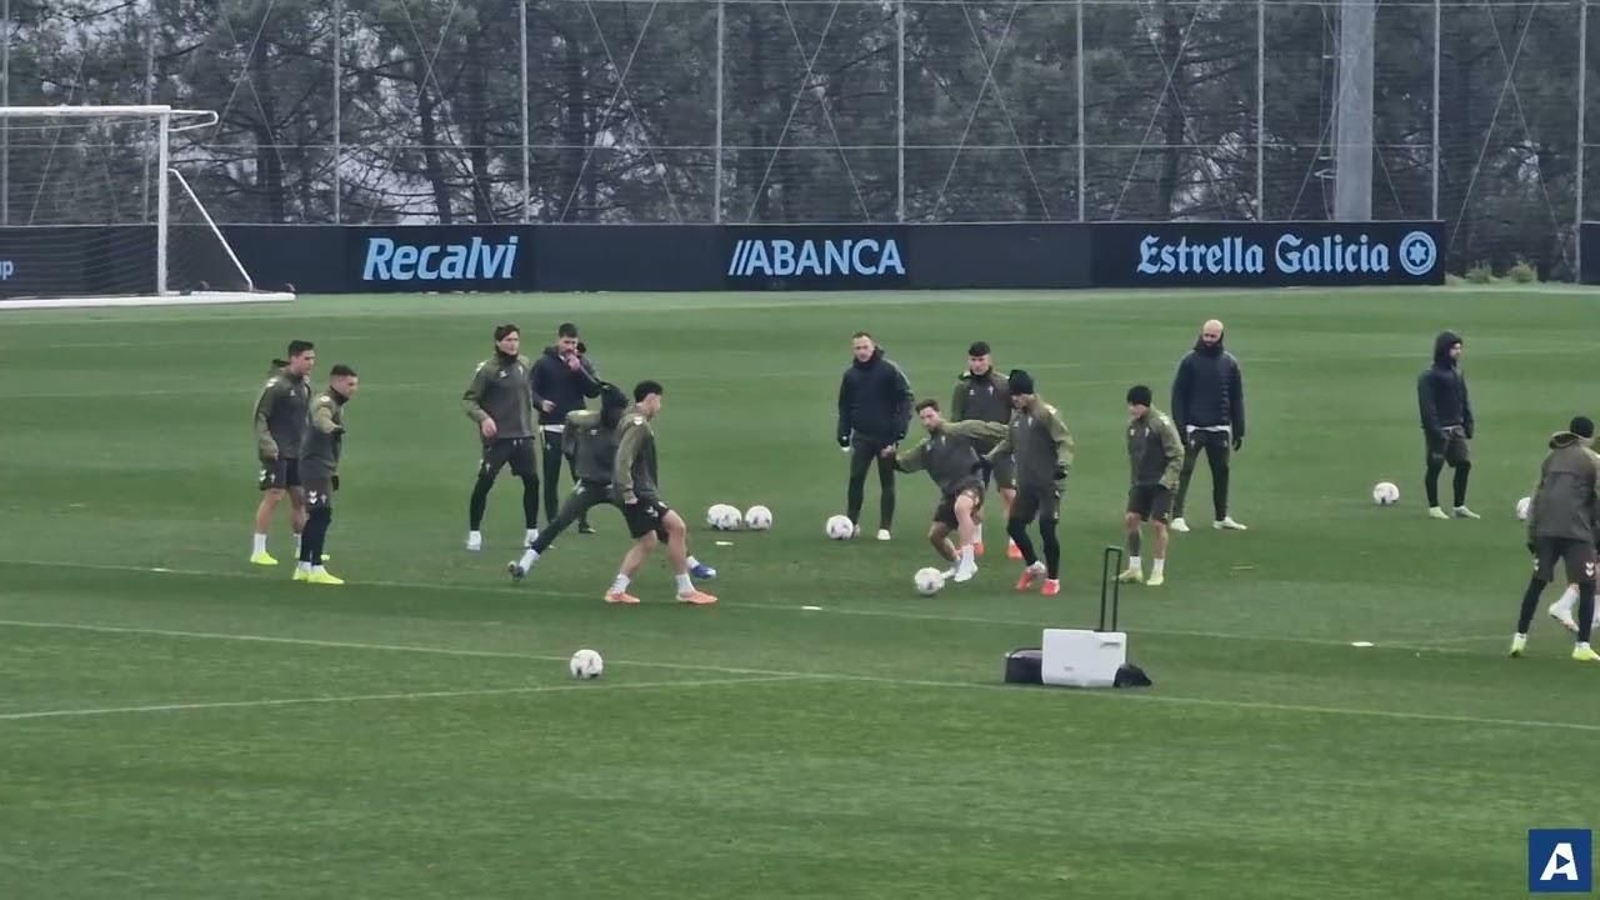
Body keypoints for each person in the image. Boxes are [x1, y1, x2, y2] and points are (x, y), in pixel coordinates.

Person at [509, 382, 716, 582]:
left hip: (620, 486)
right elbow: (570, 418)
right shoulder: (589, 420)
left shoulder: (630, 426)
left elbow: (642, 460)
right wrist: (569, 448)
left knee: (656, 526)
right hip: (590, 485)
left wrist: (647, 489)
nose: (619, 414)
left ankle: (693, 564)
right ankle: (524, 564)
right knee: (560, 522)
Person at [605, 381, 718, 606]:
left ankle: (617, 591)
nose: (660, 406)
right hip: (638, 492)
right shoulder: (638, 424)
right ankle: (685, 590)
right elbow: (623, 459)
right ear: (650, 399)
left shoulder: (629, 417)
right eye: (659, 400)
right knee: (677, 528)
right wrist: (628, 491)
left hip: (636, 490)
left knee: (648, 541)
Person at [1510, 416, 1600, 662]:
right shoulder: (1592, 460)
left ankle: (1519, 639)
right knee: (1588, 584)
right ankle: (1582, 645)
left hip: (1545, 530)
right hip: (1575, 531)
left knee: (1537, 583)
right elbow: (1597, 497)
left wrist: (1532, 534)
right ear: (1588, 437)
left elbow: (1537, 494)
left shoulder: (1550, 458)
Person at [980, 370, 1074, 596]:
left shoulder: (1046, 414)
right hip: (1027, 484)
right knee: (1014, 526)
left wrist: (1063, 466)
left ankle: (1053, 579)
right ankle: (1033, 566)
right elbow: (1008, 443)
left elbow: (1065, 442)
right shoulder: (1018, 417)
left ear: (1028, 393)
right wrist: (987, 460)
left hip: (1050, 484)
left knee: (1046, 529)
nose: (1014, 399)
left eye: (1018, 395)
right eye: (1013, 395)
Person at [894, 400, 1006, 583]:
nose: (927, 422)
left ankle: (969, 562)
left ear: (939, 413)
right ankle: (957, 564)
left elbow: (987, 430)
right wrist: (890, 456)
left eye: (930, 416)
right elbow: (903, 465)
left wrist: (1014, 434)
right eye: (923, 418)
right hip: (950, 493)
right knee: (935, 536)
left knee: (962, 507)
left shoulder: (958, 431)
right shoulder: (926, 447)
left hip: (972, 483)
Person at [462, 324, 542, 552]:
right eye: (508, 340)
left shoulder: (524, 364)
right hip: (499, 439)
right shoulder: (488, 370)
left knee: (532, 482)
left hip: (523, 436)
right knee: (485, 482)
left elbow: (526, 393)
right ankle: (474, 533)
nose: (513, 344)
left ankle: (532, 532)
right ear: (498, 343)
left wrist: (540, 404)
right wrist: (484, 419)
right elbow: (469, 400)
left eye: (516, 339)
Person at [1170, 319, 1247, 533]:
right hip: (1194, 427)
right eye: (1206, 336)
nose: (1209, 340)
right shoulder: (1189, 362)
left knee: (1222, 472)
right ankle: (1177, 516)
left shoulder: (1230, 363)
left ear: (1221, 337)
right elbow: (1178, 396)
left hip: (1220, 428)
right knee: (1184, 471)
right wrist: (1181, 426)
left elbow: (1236, 398)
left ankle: (1221, 517)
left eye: (1213, 336)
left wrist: (1239, 429)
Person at [837, 332, 913, 541]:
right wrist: (843, 432)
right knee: (856, 479)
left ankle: (884, 527)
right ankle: (852, 523)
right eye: (857, 348)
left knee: (887, 481)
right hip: (861, 436)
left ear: (873, 347)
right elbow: (844, 406)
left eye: (865, 347)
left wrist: (898, 431)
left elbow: (906, 399)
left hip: (886, 437)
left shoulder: (889, 370)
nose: (862, 352)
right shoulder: (850, 375)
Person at [951, 341, 1020, 558]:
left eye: (981, 360)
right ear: (968, 361)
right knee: (974, 498)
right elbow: (956, 419)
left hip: (1001, 448)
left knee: (1009, 493)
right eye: (973, 360)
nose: (977, 364)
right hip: (973, 450)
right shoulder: (962, 387)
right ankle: (976, 540)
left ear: (989, 360)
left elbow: (1018, 409)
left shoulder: (1003, 385)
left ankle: (1015, 541)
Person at [532, 323, 602, 533]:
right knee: (551, 476)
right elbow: (529, 390)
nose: (570, 346)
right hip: (551, 426)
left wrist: (578, 370)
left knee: (581, 476)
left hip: (576, 427)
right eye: (566, 342)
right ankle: (553, 522)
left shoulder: (582, 363)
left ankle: (582, 520)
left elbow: (593, 391)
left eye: (573, 342)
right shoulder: (544, 364)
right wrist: (541, 403)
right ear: (558, 340)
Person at [251, 340, 315, 566]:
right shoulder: (276, 385)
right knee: (274, 496)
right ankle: (259, 550)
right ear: (293, 358)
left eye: (313, 359)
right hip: (278, 451)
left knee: (300, 499)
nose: (311, 363)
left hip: (298, 451)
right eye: (307, 358)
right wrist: (268, 445)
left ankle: (302, 548)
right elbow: (260, 416)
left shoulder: (304, 386)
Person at [295, 364, 359, 585]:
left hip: (321, 467)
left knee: (317, 515)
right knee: (321, 515)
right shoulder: (325, 401)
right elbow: (320, 418)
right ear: (337, 382)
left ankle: (303, 566)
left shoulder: (336, 403)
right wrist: (331, 427)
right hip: (314, 468)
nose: (354, 389)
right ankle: (316, 568)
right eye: (350, 384)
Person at [1120, 385, 1183, 587]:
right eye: (1130, 405)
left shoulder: (1161, 424)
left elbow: (1177, 454)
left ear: (1145, 405)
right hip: (1141, 482)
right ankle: (1135, 568)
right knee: (1131, 519)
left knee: (1158, 525)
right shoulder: (1132, 427)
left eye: (1135, 405)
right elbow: (1135, 458)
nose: (1131, 410)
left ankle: (1158, 571)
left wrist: (1167, 481)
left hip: (1162, 483)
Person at [1417, 330, 1478, 520]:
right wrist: (1434, 430)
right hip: (1439, 430)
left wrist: (1468, 421)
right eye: (1454, 348)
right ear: (1444, 350)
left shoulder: (1457, 373)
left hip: (1456, 427)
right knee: (1435, 466)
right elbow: (1427, 407)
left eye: (1460, 348)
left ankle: (1459, 506)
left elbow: (1463, 399)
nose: (1458, 352)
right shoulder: (1429, 376)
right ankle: (1433, 506)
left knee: (1464, 464)